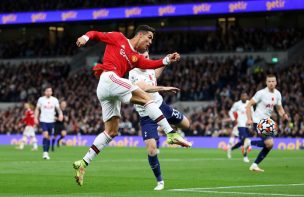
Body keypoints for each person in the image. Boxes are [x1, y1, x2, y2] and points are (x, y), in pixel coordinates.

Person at [73, 25, 192, 186]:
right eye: (149, 38)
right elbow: (96, 34)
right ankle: (171, 134)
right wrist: (85, 37)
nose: (150, 42)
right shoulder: (118, 38)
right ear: (140, 35)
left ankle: (83, 162)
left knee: (111, 132)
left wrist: (167, 60)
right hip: (109, 78)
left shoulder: (135, 58)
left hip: (110, 90)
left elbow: (152, 64)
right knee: (146, 99)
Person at [129, 51, 190, 190]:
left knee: (187, 124)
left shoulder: (149, 68)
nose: (146, 59)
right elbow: (145, 88)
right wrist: (164, 88)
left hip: (162, 107)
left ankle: (164, 130)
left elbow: (155, 75)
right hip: (147, 115)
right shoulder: (133, 73)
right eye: (143, 57)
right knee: (151, 150)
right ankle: (160, 181)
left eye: (147, 56)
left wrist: (168, 59)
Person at [246, 74, 288, 172]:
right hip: (258, 120)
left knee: (270, 145)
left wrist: (284, 114)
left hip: (267, 121)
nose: (271, 83)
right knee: (269, 143)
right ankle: (249, 143)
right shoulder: (261, 93)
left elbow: (279, 108)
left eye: (273, 81)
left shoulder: (277, 94)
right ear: (266, 82)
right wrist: (249, 119)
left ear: (276, 82)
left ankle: (254, 164)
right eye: (269, 81)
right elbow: (249, 105)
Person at [34, 87, 63, 160]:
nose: (49, 92)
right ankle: (45, 153)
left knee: (49, 137)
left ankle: (46, 152)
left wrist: (60, 115)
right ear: (44, 92)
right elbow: (37, 109)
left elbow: (58, 109)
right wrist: (35, 118)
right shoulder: (41, 99)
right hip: (43, 120)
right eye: (47, 91)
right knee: (45, 134)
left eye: (50, 91)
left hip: (51, 121)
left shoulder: (54, 100)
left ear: (52, 92)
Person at [227, 92, 251, 163]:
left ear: (247, 97)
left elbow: (252, 112)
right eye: (243, 96)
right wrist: (233, 119)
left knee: (242, 142)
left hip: (247, 125)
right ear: (240, 97)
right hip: (240, 125)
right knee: (247, 140)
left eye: (245, 96)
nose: (244, 97)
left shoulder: (249, 103)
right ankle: (245, 157)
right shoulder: (237, 104)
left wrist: (251, 121)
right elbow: (230, 112)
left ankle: (230, 149)